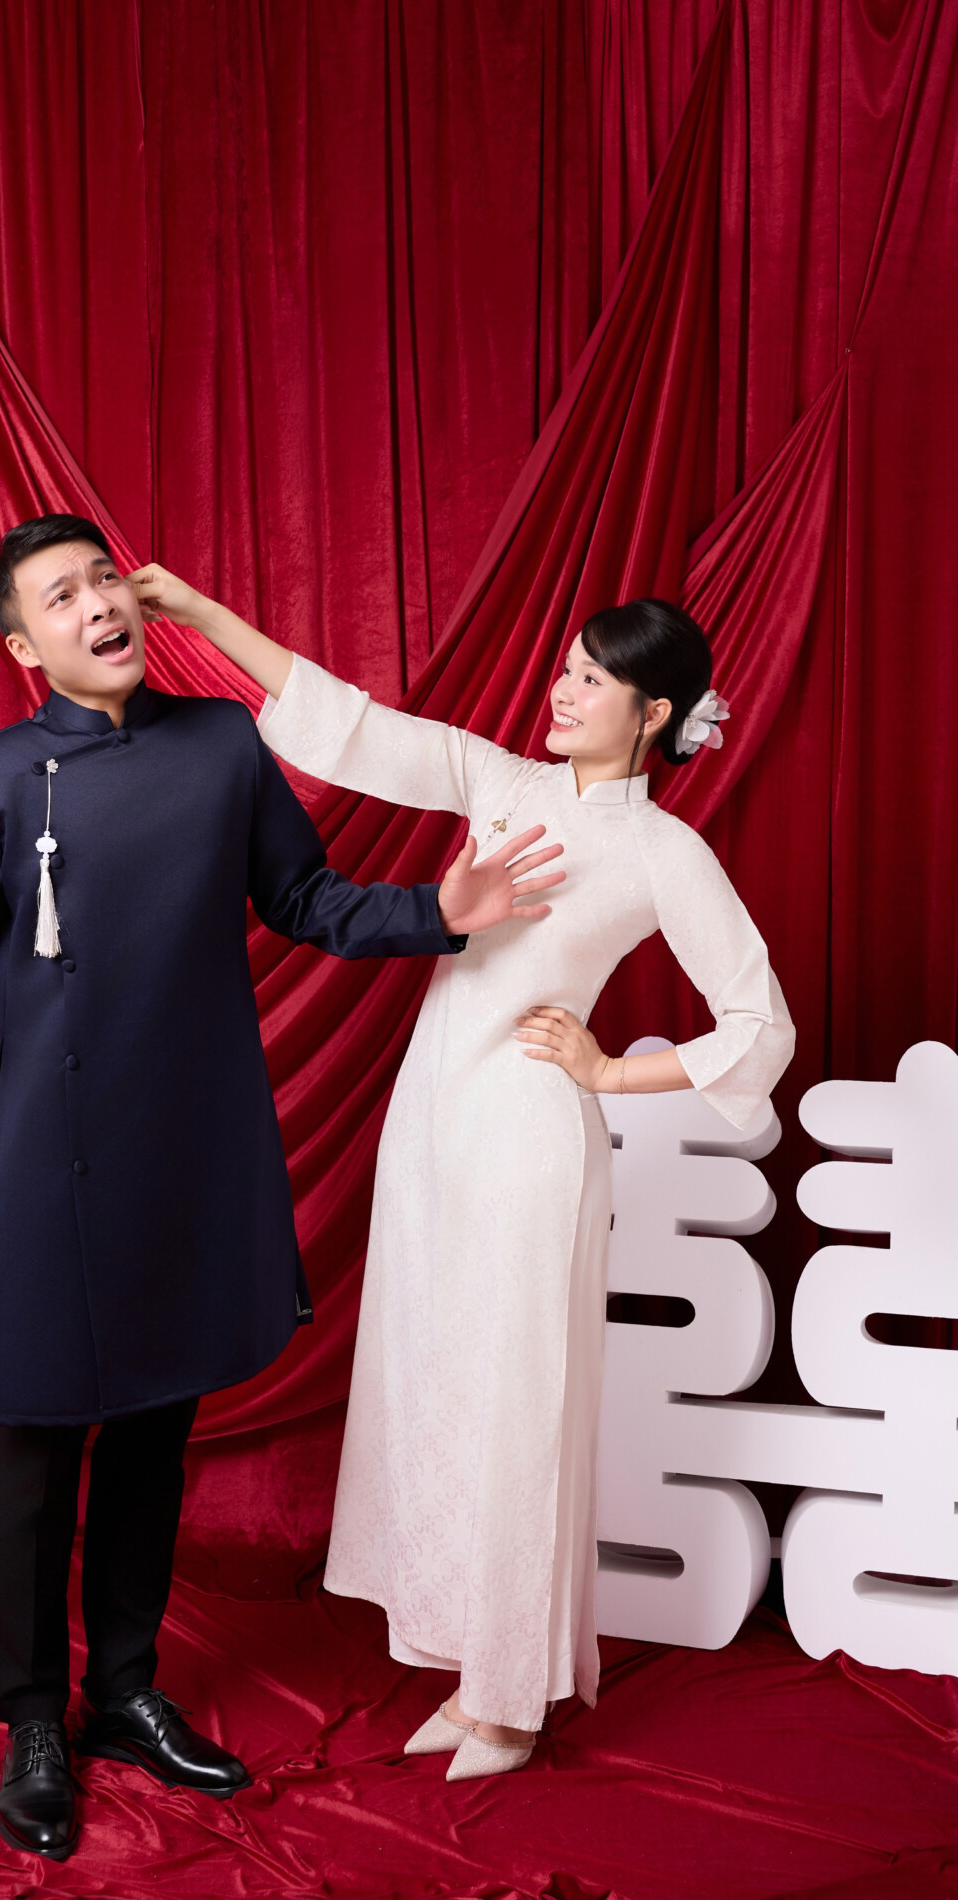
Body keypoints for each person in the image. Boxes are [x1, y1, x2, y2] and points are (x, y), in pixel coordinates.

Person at [0, 515, 565, 1861]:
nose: (97, 606)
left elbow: (307, 900)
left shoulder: (221, 745)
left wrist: (441, 910)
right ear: (23, 644)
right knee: (35, 1447)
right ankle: (32, 1720)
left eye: (104, 581)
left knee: (148, 1437)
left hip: (187, 1147)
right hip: (54, 1157)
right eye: (60, 597)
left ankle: (124, 1690)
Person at [124, 565, 796, 1782]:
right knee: (435, 1393)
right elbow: (358, 728)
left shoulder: (663, 849)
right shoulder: (503, 781)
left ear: (652, 712)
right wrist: (206, 617)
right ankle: (469, 1669)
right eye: (567, 667)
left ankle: (510, 1700)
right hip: (432, 1127)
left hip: (531, 1144)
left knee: (514, 1406)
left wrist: (606, 1070)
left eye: (592, 678)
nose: (563, 689)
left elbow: (760, 1026)